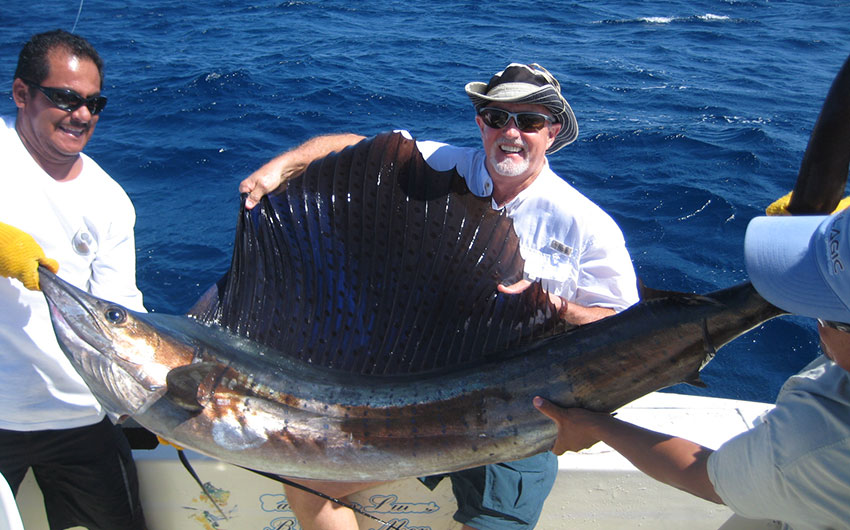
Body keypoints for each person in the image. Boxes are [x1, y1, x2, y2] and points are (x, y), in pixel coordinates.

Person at [240, 63, 640, 530]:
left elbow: (625, 327)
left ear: (552, 131)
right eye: (497, 119)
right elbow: (355, 146)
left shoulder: (585, 224)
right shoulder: (439, 166)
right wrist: (280, 168)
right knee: (308, 485)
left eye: (528, 122)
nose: (511, 133)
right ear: (480, 124)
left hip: (515, 410)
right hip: (411, 391)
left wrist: (559, 308)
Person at [533, 208, 850, 529]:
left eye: (823, 314)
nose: (818, 326)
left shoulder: (813, 446)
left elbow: (708, 478)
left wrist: (598, 427)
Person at [0, 30, 147, 529]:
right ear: (22, 94)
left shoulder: (109, 199)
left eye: (93, 102)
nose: (81, 115)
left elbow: (121, 309)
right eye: (64, 97)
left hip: (80, 413)